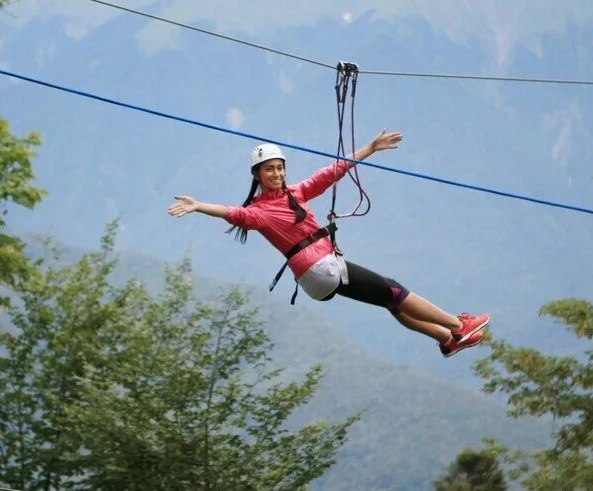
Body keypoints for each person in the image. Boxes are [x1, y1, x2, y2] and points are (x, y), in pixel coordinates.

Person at [167, 131, 490, 357]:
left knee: (390, 301)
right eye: (269, 170)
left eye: (279, 168)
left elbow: (329, 173)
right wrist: (199, 205)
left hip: (315, 276)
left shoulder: (296, 192)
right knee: (395, 291)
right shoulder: (259, 211)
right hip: (320, 267)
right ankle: (458, 325)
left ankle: (446, 339)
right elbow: (233, 213)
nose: (277, 173)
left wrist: (370, 148)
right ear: (258, 175)